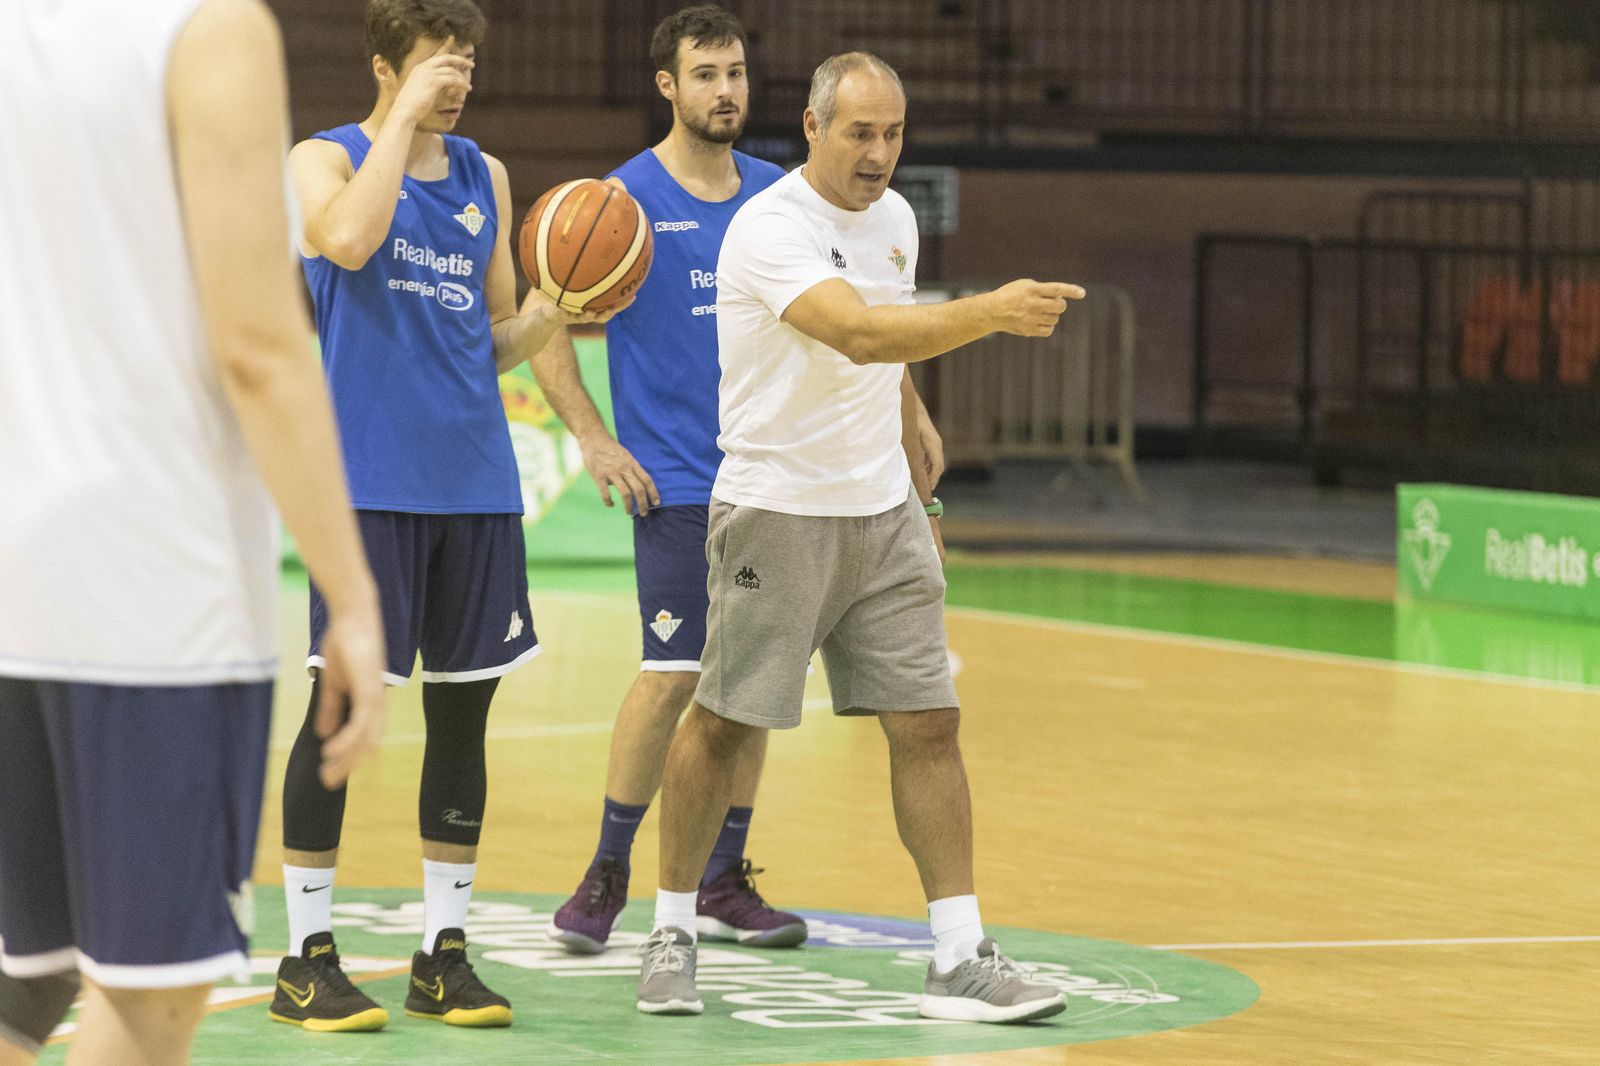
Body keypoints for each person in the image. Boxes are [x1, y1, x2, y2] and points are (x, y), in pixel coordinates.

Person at [634, 51, 1079, 1023]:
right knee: (725, 722)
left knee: (929, 723)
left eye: (893, 135)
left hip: (881, 513)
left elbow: (885, 351)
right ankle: (670, 929)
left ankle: (958, 954)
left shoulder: (895, 220)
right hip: (778, 509)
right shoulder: (770, 227)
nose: (878, 154)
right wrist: (994, 312)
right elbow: (859, 333)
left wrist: (913, 443)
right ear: (813, 127)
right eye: (860, 133)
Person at [0, 1, 388, 1063]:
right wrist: (352, 596)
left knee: (24, 984)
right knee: (150, 997)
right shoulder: (209, 29)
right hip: (150, 584)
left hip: (18, 557)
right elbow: (257, 340)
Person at [269, 0, 611, 1033]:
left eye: (465, 65)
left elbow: (491, 337)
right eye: (435, 65)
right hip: (369, 485)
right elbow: (345, 241)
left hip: (476, 486)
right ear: (385, 66)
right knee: (337, 711)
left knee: (464, 722)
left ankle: (441, 953)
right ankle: (304, 957)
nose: (457, 82)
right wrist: (403, 124)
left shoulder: (484, 176)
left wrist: (554, 311)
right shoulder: (324, 160)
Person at [536, 3, 892, 957]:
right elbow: (544, 325)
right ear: (668, 85)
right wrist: (594, 439)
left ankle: (722, 878)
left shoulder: (783, 196)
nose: (726, 90)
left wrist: (911, 417)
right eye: (705, 74)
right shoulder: (616, 203)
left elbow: (861, 317)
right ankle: (608, 870)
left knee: (752, 685)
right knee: (671, 677)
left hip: (775, 480)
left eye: (735, 72)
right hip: (680, 485)